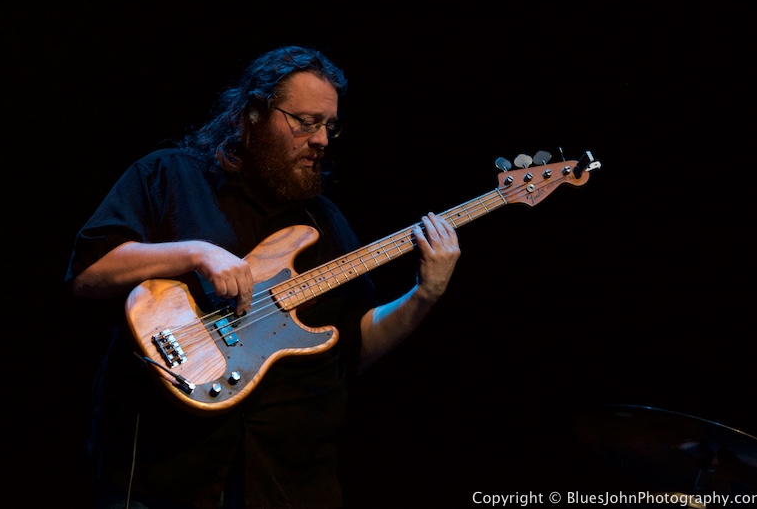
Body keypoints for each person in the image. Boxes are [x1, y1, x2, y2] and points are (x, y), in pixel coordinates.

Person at [64, 45, 460, 508]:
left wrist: (424, 295)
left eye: (329, 126)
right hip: (167, 472)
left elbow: (354, 351)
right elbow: (88, 272)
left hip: (291, 479)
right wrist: (196, 252)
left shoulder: (324, 221)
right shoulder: (170, 175)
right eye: (305, 122)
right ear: (253, 114)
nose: (321, 139)